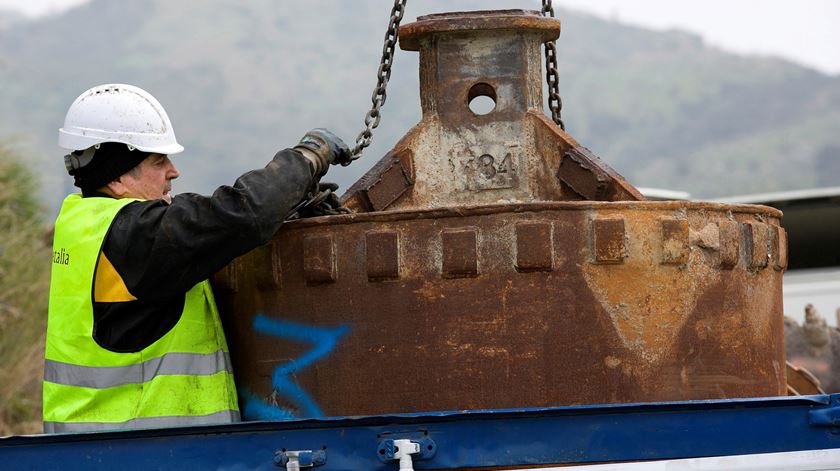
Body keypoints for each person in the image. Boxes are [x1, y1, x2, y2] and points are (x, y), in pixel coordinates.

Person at [43, 83, 349, 433]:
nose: (174, 171)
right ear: (117, 176)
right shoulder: (135, 237)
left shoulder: (83, 224)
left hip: (91, 450)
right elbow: (243, 213)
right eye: (159, 161)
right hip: (146, 450)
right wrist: (308, 157)